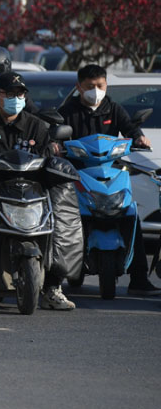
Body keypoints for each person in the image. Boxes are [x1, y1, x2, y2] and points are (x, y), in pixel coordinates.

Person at [0, 72, 76, 310]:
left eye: (20, 94)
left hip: (33, 193)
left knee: (64, 213)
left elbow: (46, 159)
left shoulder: (37, 126)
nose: (16, 98)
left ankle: (53, 286)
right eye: (10, 94)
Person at [58, 64, 159, 296]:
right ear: (79, 87)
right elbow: (55, 131)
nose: (95, 91)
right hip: (78, 174)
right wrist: (55, 144)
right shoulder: (68, 111)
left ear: (106, 85)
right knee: (63, 218)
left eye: (100, 85)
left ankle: (139, 278)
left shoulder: (113, 108)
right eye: (89, 86)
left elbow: (129, 128)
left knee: (130, 215)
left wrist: (139, 138)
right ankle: (52, 277)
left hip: (110, 172)